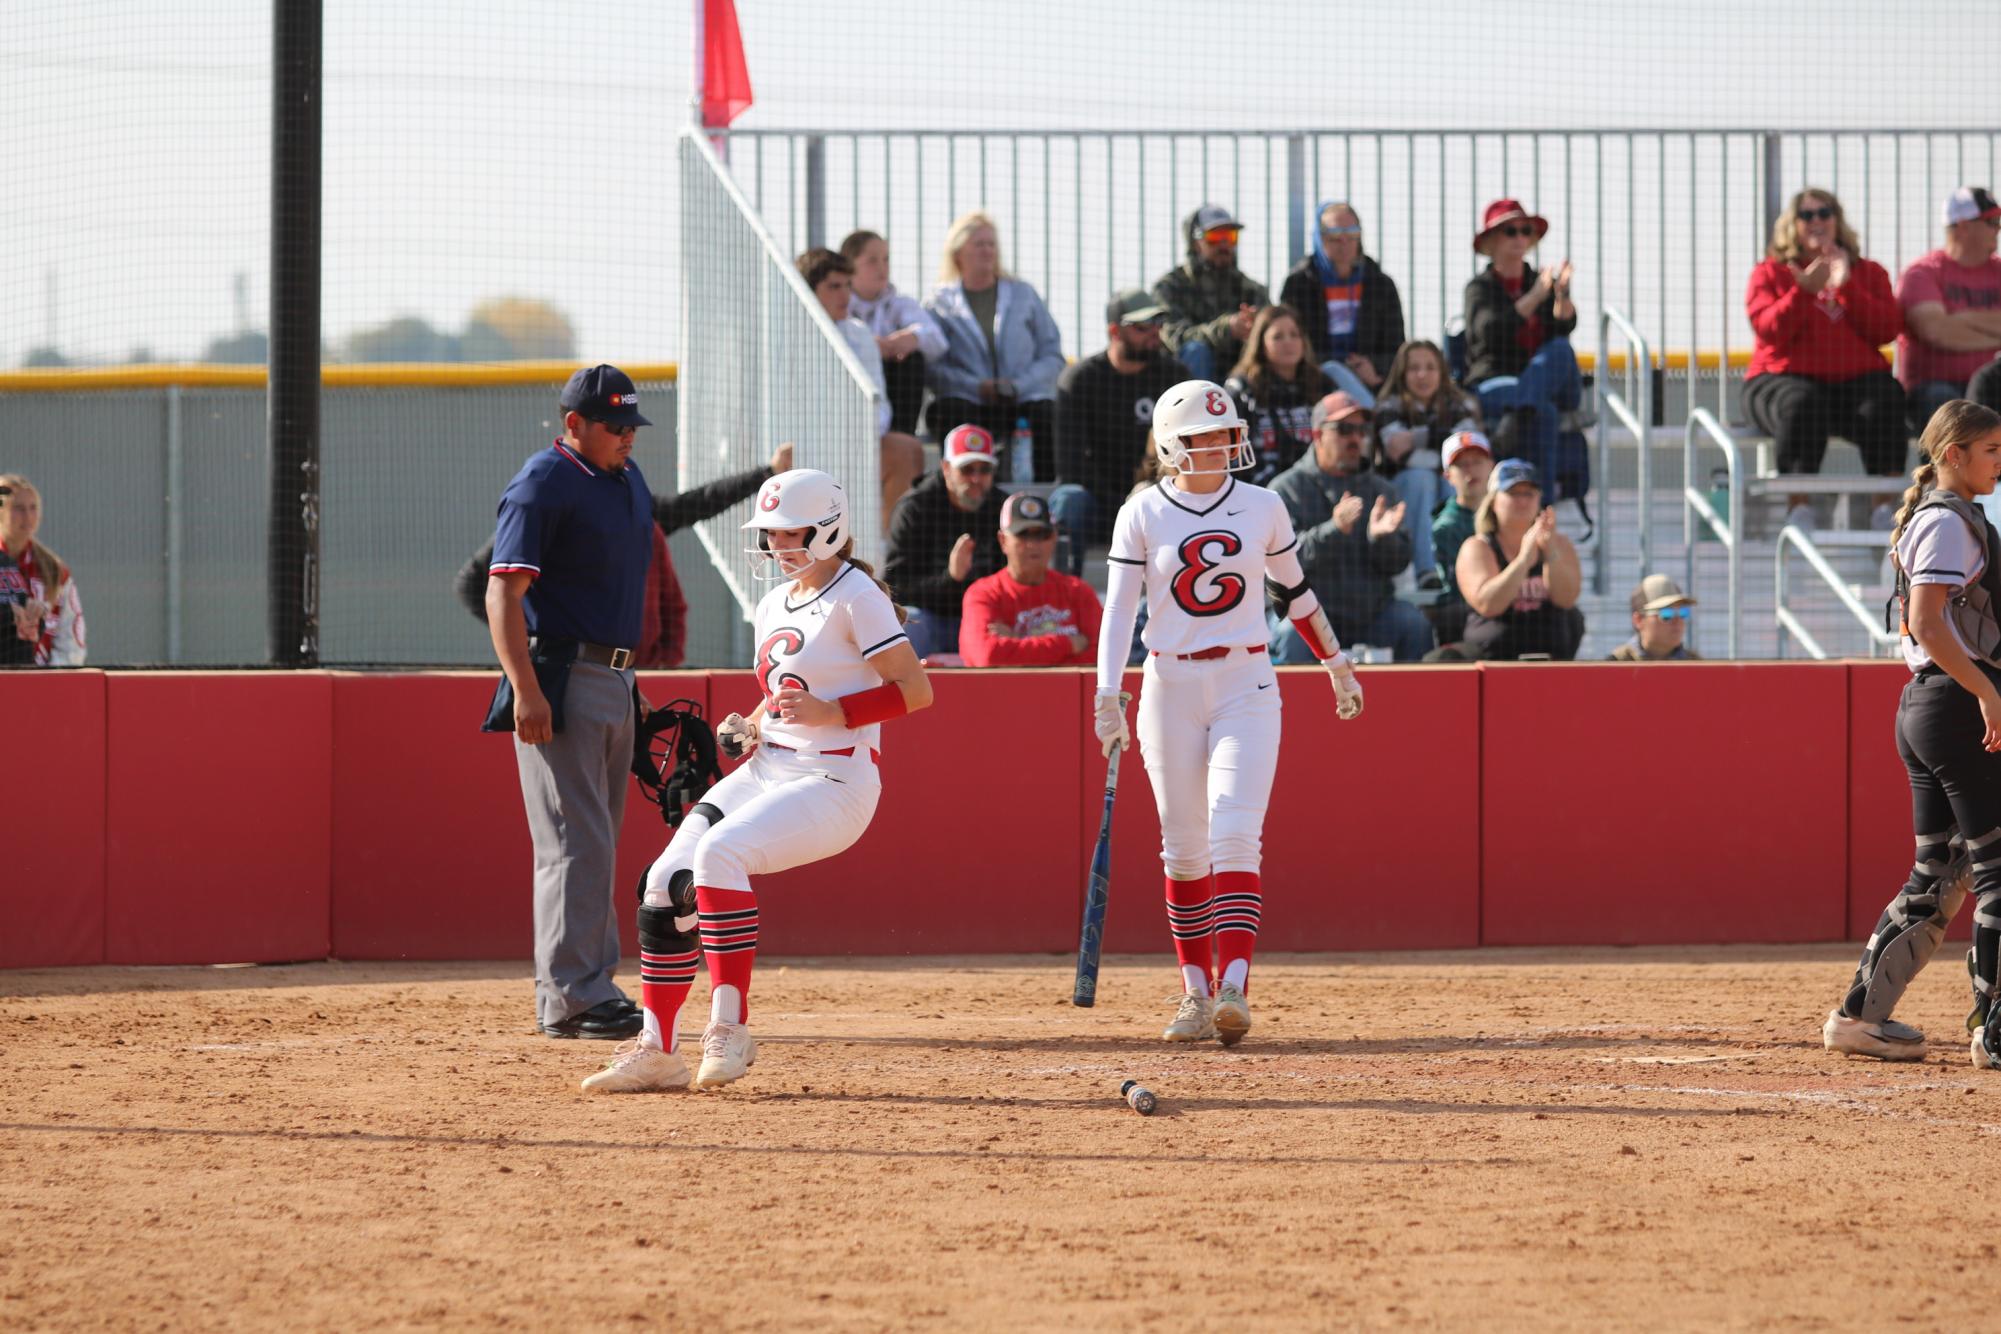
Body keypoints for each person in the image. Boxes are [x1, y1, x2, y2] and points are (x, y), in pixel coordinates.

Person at [582, 467, 933, 1092]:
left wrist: (836, 713)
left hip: (836, 779)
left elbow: (916, 690)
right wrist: (750, 722)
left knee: (720, 854)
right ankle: (659, 1049)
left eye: (786, 532)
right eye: (768, 534)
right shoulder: (775, 601)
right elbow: (783, 695)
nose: (774, 546)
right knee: (664, 882)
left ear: (828, 530)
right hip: (772, 766)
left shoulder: (858, 595)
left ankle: (730, 1029)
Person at [1091, 379, 1366, 1048]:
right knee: (1183, 850)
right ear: (1169, 445)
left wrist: (1334, 662)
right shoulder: (1142, 513)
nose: (1218, 447)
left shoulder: (1263, 504)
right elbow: (1119, 610)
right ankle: (1194, 993)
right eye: (1201, 438)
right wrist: (1106, 692)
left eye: (1224, 435)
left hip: (1247, 677)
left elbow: (1294, 592)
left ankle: (1235, 984)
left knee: (1236, 835)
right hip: (1169, 686)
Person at [482, 365, 659, 1042]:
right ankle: (571, 997)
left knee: (596, 841)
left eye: (631, 426)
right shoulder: (542, 482)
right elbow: (503, 594)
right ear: (573, 425)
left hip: (615, 676)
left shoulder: (625, 480)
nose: (626, 437)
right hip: (562, 672)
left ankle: (590, 984)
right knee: (572, 840)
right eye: (613, 426)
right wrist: (525, 689)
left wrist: (630, 686)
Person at [1823, 399, 2001, 1069]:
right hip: (1953, 705)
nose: (1998, 463)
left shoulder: (1950, 517)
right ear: (1952, 454)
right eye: (1989, 451)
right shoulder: (1947, 522)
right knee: (1995, 871)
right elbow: (1929, 625)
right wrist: (1985, 692)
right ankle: (1995, 1031)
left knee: (1940, 872)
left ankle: (1857, 1020)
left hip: (1934, 707)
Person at [455, 445, 791, 668]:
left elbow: (697, 502)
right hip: (569, 671)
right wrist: (536, 640)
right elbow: (474, 585)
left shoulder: (635, 510)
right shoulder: (546, 507)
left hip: (633, 677)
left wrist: (767, 473)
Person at [1744, 187, 1907, 530]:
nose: (1816, 221)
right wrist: (1803, 291)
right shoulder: (1771, 272)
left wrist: (1846, 286)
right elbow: (1769, 329)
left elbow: (1886, 329)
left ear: (1837, 220)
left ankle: (1883, 509)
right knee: (1802, 402)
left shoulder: (1867, 272)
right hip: (1782, 378)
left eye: (1824, 213)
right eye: (1806, 215)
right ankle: (1799, 508)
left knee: (1886, 398)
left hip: (1852, 382)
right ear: (1794, 224)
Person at [1268, 392, 1430, 662]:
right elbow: (1281, 563)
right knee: (1291, 632)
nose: (1355, 439)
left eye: (1361, 430)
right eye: (1344, 430)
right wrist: (1334, 529)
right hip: (1312, 614)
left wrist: (1383, 540)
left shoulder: (1382, 490)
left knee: (1413, 624)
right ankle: (1296, 707)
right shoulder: (1285, 490)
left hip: (1372, 615)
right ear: (1317, 435)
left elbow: (1398, 563)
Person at [1050, 289, 1185, 575]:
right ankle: (1064, 592)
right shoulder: (1079, 380)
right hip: (1100, 504)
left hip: (1156, 498)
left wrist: (1143, 498)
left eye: (1158, 323)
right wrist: (1122, 506)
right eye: (1141, 327)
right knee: (1069, 499)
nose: (1154, 333)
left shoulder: (1174, 377)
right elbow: (1070, 466)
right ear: (1114, 331)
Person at [922, 211, 1065, 481]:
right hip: (968, 402)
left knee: (1047, 413)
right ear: (958, 253)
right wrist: (976, 386)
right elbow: (933, 366)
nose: (988, 251)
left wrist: (1017, 385)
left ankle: (1042, 492)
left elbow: (1051, 353)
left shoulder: (1024, 294)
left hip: (1022, 400)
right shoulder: (938, 303)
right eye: (979, 244)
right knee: (948, 411)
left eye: (992, 244)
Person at [1463, 199, 1584, 494]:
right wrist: (1534, 296)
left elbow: (1563, 326)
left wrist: (1561, 295)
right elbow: (1489, 333)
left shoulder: (1538, 281)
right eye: (1510, 231)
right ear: (1491, 241)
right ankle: (1540, 511)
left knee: (1559, 349)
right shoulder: (1480, 288)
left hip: (1550, 386)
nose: (1520, 238)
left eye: (1525, 231)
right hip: (1497, 382)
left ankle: (1516, 415)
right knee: (1543, 413)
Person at [797, 247, 927, 514]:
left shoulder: (859, 332)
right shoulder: (785, 335)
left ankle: (888, 547)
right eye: (834, 286)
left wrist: (855, 435)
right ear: (807, 290)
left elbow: (879, 405)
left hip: (854, 440)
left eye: (847, 285)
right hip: (804, 443)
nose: (844, 295)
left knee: (908, 450)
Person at [881, 423, 1005, 658]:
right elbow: (894, 588)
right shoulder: (915, 509)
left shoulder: (1001, 507)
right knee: (910, 620)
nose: (976, 478)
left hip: (985, 621)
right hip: (933, 618)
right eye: (967, 469)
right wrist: (951, 578)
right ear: (946, 468)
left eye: (985, 469)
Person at [1372, 340, 1483, 589]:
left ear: (1442, 371)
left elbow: (1468, 451)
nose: (1422, 374)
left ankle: (1458, 567)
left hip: (1443, 483)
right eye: (1414, 368)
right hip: (1400, 492)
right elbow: (1397, 450)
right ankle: (1428, 572)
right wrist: (1442, 439)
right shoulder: (1388, 405)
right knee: (1422, 477)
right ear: (1402, 372)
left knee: (1453, 479)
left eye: (1430, 367)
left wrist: (1415, 439)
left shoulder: (1461, 404)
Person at [1276, 201, 1406, 407]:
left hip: (1372, 381)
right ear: (1319, 237)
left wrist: (1373, 367)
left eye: (1352, 233)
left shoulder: (1381, 284)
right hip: (1314, 379)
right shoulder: (1299, 284)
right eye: (1335, 235)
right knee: (1334, 371)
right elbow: (1291, 343)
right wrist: (1344, 367)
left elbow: (1396, 346)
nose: (1344, 242)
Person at [1453, 458, 1585, 660]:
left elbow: (1566, 599)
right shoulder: (1477, 547)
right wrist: (1523, 561)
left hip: (1551, 657)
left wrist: (1550, 553)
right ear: (1493, 501)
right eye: (1513, 493)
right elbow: (1488, 604)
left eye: (1529, 493)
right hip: (1493, 658)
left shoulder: (1560, 544)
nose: (1522, 501)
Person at [1898, 189, 2001, 434]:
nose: (1998, 228)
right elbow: (1937, 331)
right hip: (1935, 386)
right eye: (1992, 222)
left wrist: (1961, 319)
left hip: (1993, 383)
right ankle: (1939, 474)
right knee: (1946, 409)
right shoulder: (1922, 272)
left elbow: (1948, 329)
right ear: (1963, 227)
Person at [958, 492, 1102, 667]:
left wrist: (1018, 642)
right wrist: (1069, 643)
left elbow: (1102, 657)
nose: (1033, 544)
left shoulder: (1079, 592)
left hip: (1069, 693)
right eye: (1023, 535)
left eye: (1042, 535)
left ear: (1054, 538)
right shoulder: (984, 593)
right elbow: (987, 655)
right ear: (1003, 540)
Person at [839, 229, 947, 436]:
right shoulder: (839, 305)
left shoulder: (900, 304)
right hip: (849, 396)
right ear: (849, 265)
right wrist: (869, 345)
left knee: (912, 360)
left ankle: (902, 436)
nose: (882, 267)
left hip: (893, 391)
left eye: (886, 259)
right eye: (872, 261)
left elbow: (938, 340)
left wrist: (911, 339)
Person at [1152, 204, 1271, 384]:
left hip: (1239, 374)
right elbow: (1175, 337)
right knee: (1196, 350)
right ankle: (1200, 412)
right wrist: (1227, 328)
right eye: (1215, 237)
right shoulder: (1169, 287)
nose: (1224, 245)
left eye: (1230, 237)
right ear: (1195, 243)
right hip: (1186, 378)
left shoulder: (1251, 289)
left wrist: (1256, 327)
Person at [1224, 305, 1331, 487]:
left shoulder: (1323, 385)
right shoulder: (1242, 391)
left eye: (1294, 335)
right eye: (1277, 337)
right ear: (1260, 344)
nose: (1288, 342)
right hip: (1259, 490)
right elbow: (1231, 455)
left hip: (1317, 489)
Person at [0, 475, 84, 668]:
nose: (27, 517)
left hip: (43, 681)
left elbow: (71, 638)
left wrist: (52, 678)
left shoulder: (53, 569)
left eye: (33, 508)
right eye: (18, 508)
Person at [1429, 430, 1494, 648]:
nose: (1471, 470)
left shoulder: (1509, 512)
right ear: (1447, 475)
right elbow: (1461, 588)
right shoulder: (1446, 527)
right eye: (1462, 464)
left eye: (1477, 461)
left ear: (1491, 465)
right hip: (1468, 610)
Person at [1610, 574, 1700, 661]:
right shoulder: (1616, 663)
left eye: (1683, 612)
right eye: (1666, 614)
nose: (1678, 620)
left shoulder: (1697, 665)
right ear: (1638, 620)